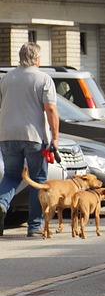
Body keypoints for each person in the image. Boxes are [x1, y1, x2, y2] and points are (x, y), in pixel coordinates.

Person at [0, 43, 60, 237]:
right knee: (38, 180)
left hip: (7, 135)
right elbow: (50, 109)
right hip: (33, 136)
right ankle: (35, 226)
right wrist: (55, 138)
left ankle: (1, 204)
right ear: (37, 59)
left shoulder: (6, 78)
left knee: (10, 176)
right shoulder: (43, 78)